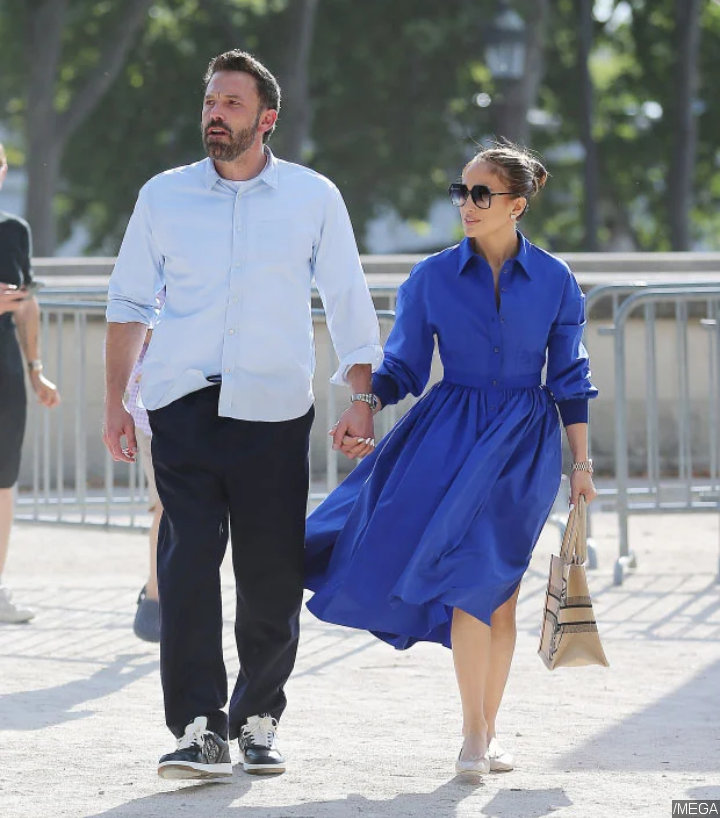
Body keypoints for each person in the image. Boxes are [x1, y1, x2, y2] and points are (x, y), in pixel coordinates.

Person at [103, 50, 382, 780]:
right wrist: (116, 405)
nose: (214, 113)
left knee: (270, 572)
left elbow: (348, 300)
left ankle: (258, 718)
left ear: (267, 118)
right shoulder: (162, 197)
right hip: (182, 404)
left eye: (229, 102)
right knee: (188, 564)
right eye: (209, 101)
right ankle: (198, 726)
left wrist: (361, 394)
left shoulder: (314, 196)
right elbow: (129, 304)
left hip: (273, 409)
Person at [305, 143, 598, 776]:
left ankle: (487, 731)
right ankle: (475, 735)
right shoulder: (431, 277)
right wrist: (366, 402)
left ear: (516, 205)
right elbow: (405, 363)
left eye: (480, 194)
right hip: (448, 438)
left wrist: (581, 466)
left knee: (499, 589)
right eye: (460, 192)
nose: (466, 205)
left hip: (525, 444)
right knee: (472, 584)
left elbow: (571, 376)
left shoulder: (555, 279)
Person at [0, 142, 60, 624]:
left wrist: (36, 368)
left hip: (5, 373)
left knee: (3, 481)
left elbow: (27, 302)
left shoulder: (14, 231)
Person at [126, 304, 164, 643]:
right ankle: (154, 598)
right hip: (153, 409)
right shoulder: (154, 255)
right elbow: (139, 321)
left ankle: (162, 591)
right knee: (165, 507)